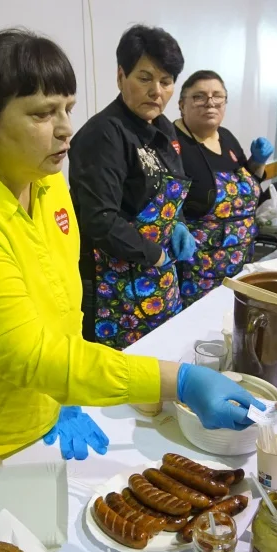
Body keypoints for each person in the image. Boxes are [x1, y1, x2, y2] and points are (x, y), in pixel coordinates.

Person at [0, 28, 263, 505]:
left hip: (29, 421)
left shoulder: (45, 182)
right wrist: (179, 382)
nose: (66, 126)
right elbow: (23, 354)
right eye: (43, 113)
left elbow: (64, 298)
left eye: (67, 107)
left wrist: (61, 398)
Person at [68, 25, 193, 349]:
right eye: (144, 78)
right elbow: (99, 219)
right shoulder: (104, 135)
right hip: (116, 285)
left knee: (163, 359)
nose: (157, 91)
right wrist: (154, 255)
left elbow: (164, 195)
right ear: (121, 76)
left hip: (160, 278)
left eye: (165, 82)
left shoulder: (165, 129)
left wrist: (178, 225)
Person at [173, 70, 273, 305]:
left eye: (217, 96)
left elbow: (247, 188)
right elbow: (163, 199)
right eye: (199, 97)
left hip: (240, 265)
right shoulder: (173, 143)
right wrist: (177, 225)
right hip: (197, 274)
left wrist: (257, 162)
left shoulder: (226, 137)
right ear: (181, 104)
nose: (210, 103)